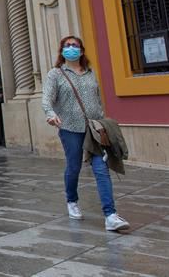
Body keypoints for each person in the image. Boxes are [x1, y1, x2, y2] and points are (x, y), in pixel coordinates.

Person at [43, 36, 129, 232]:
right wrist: (50, 114)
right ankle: (71, 199)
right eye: (67, 46)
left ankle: (110, 215)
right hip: (70, 129)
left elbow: (98, 100)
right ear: (62, 51)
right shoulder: (55, 74)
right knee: (74, 166)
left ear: (81, 51)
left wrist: (101, 123)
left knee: (101, 169)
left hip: (94, 129)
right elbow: (47, 98)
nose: (71, 48)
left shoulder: (90, 73)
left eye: (75, 46)